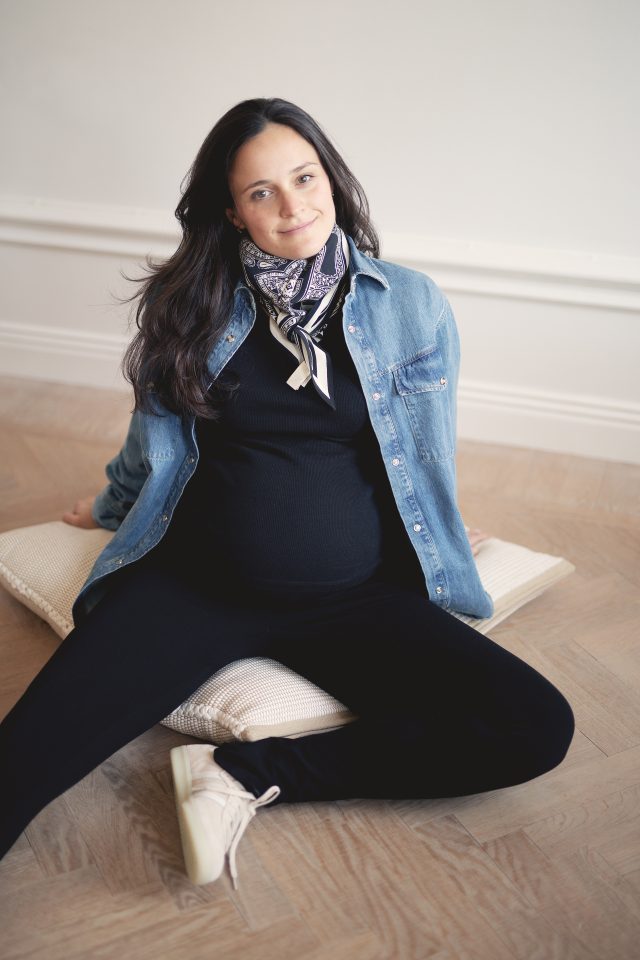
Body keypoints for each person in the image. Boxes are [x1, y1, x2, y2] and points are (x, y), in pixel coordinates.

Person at [0, 98, 575, 889]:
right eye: (261, 191)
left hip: (355, 600)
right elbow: (153, 438)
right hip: (193, 586)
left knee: (536, 726)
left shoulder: (408, 303)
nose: (292, 205)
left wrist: (443, 533)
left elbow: (424, 448)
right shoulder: (192, 305)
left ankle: (242, 773)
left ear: (332, 180)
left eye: (304, 178)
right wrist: (107, 505)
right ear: (233, 212)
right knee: (19, 764)